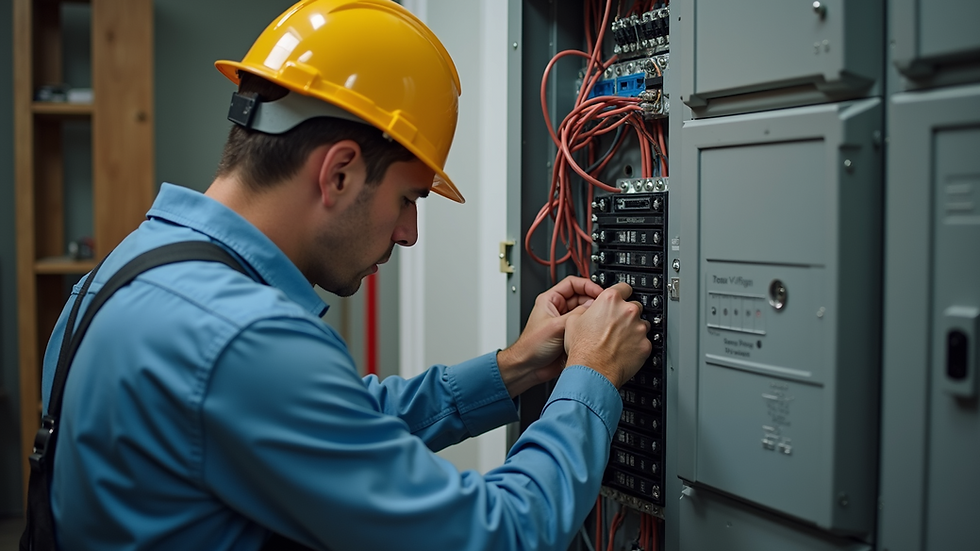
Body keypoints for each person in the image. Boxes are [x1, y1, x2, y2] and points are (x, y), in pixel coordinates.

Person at [37, 1, 651, 549]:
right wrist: (589, 376)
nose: (409, 233)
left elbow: (339, 420)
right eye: (409, 198)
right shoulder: (242, 340)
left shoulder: (123, 273)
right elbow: (503, 532)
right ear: (339, 173)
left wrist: (516, 366)